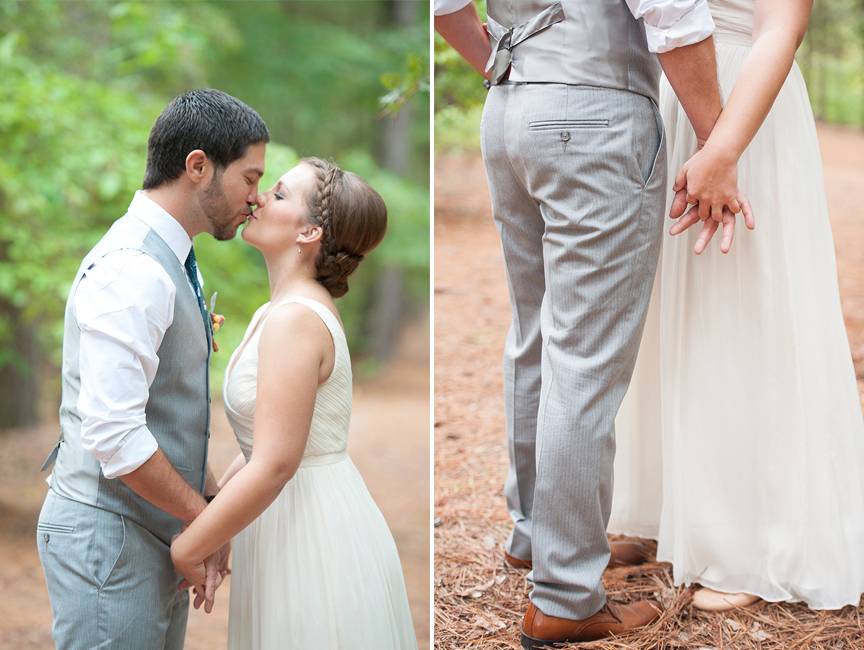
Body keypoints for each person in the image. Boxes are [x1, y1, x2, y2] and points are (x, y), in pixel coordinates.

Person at [436, 0, 753, 646]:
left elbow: (445, 7)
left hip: (511, 114)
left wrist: (506, 66)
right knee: (581, 358)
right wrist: (717, 143)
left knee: (535, 337)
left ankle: (537, 536)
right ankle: (565, 594)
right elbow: (673, 14)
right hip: (595, 122)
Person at [611, 0, 864, 612]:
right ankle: (655, 502)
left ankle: (749, 542)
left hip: (746, 102)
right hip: (669, 91)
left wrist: (723, 147)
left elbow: (783, 25)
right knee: (662, 313)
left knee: (737, 310)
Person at [36, 88, 268, 649]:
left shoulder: (170, 261)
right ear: (197, 166)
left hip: (149, 533)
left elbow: (166, 411)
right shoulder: (132, 271)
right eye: (250, 178)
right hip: (108, 542)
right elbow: (115, 434)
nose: (256, 199)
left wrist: (206, 504)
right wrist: (203, 522)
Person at [169, 158, 418, 649]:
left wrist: (189, 546)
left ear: (309, 232)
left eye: (279, 194)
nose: (259, 197)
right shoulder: (279, 310)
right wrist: (216, 516)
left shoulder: (295, 320)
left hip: (312, 532)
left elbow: (277, 464)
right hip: (285, 517)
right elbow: (266, 444)